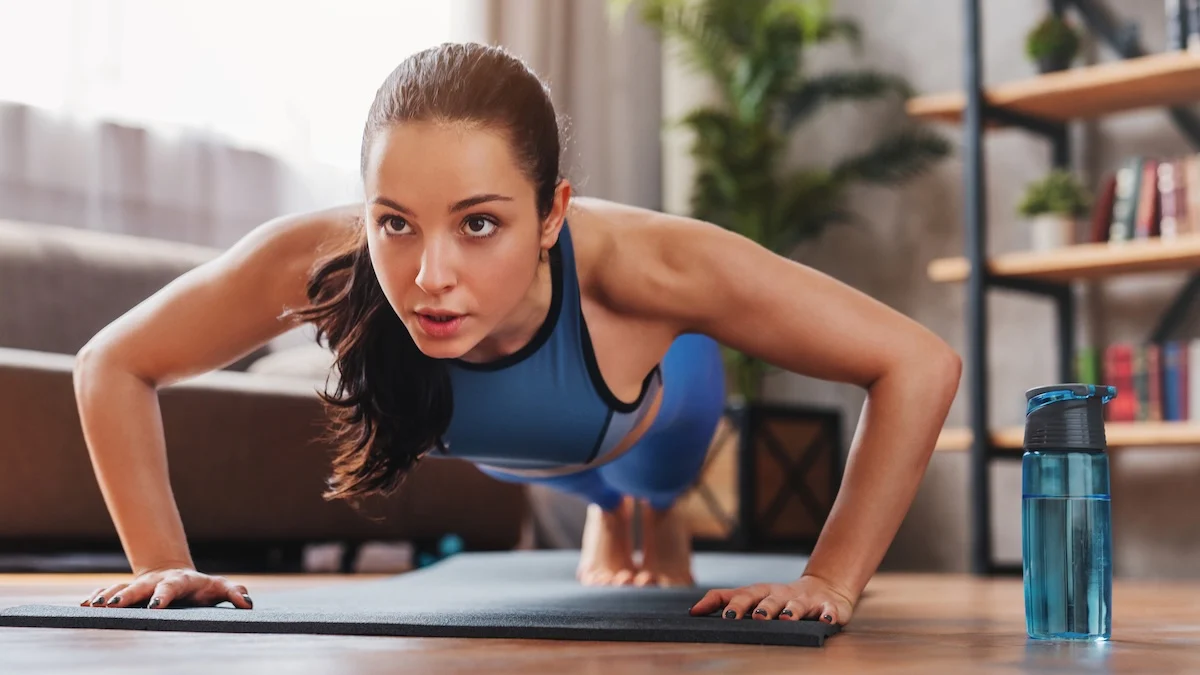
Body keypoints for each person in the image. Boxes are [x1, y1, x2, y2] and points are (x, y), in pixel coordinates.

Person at [74, 42, 960, 627]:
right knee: (564, 469)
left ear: (550, 215)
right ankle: (609, 512)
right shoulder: (320, 259)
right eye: (396, 222)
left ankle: (645, 507)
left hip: (653, 401)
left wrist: (831, 579)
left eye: (481, 223)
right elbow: (113, 361)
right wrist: (162, 563)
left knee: (652, 475)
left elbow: (917, 361)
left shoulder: (652, 266)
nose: (430, 275)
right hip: (519, 440)